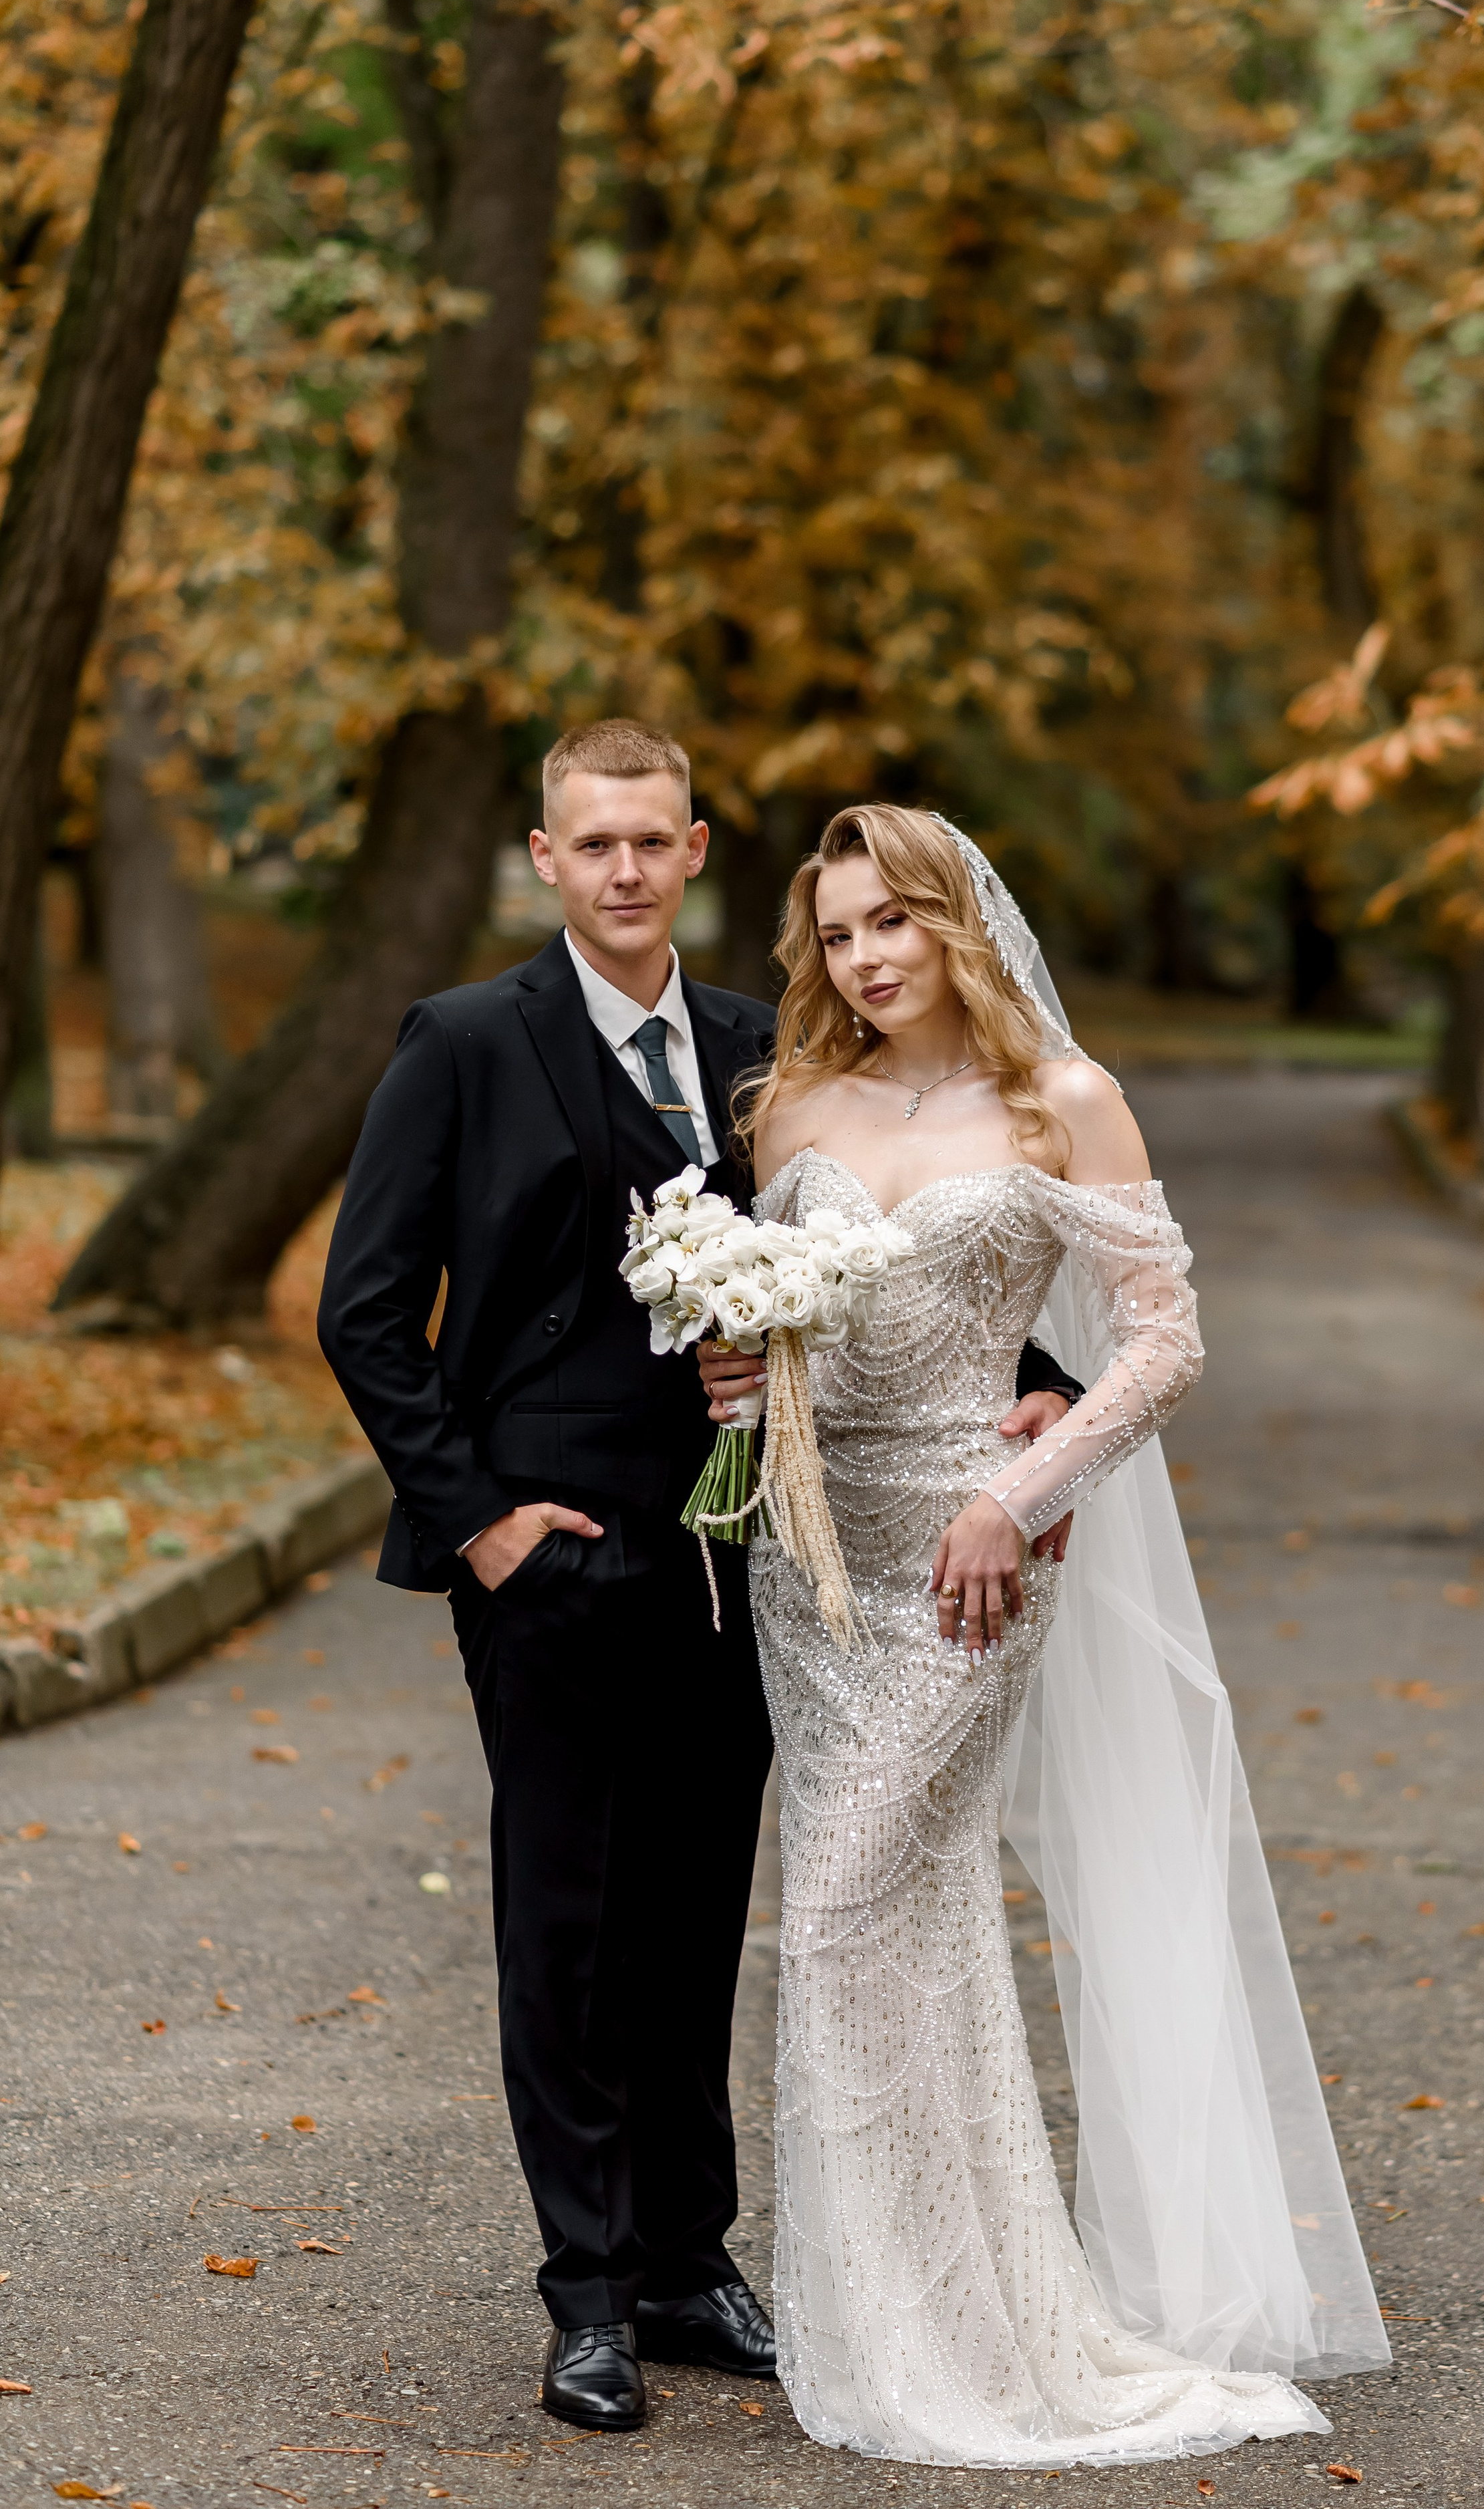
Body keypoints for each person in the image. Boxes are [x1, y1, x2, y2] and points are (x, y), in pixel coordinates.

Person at [315, 723, 1082, 2434]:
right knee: (567, 1926)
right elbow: (365, 1316)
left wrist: (1031, 1371)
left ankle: (681, 2257)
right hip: (551, 1561)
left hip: (756, 1560)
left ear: (695, 846)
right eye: (592, 844)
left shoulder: (762, 1045)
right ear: (544, 855)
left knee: (687, 1924)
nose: (623, 871)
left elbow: (878, 1256)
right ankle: (583, 2291)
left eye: (652, 841)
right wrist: (484, 1526)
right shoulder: (461, 1044)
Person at [696, 803, 1390, 2468]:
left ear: (955, 923)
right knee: (894, 1913)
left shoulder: (1061, 1103)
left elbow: (1159, 1345)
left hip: (968, 1554)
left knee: (847, 1896)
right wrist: (730, 1369)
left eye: (891, 924)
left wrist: (1029, 1485)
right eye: (838, 932)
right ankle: (926, 2307)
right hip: (812, 1552)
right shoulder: (786, 1100)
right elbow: (767, 1316)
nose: (864, 959)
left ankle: (929, 2338)